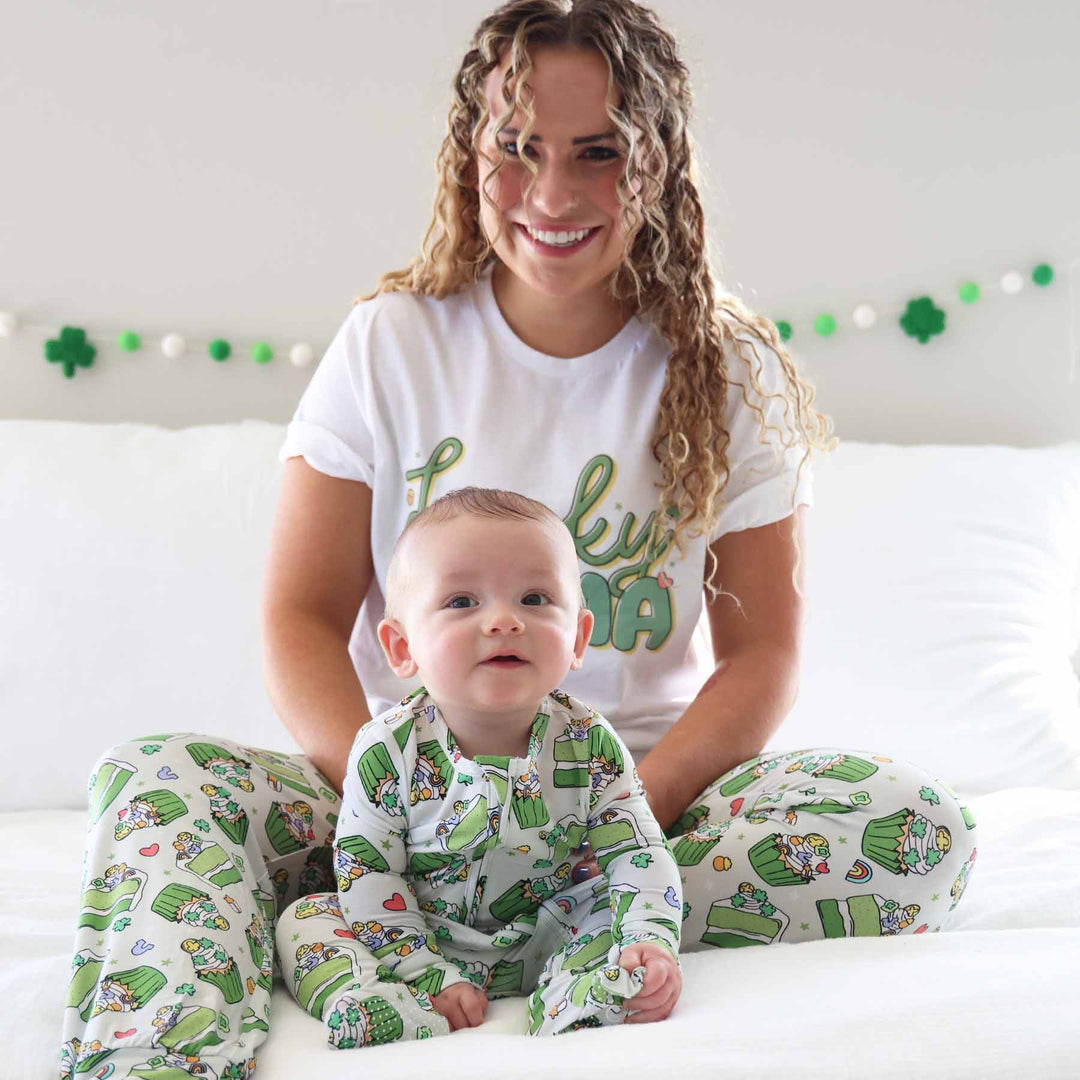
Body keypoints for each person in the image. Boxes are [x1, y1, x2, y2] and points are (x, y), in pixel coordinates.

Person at [59, 0, 979, 1075]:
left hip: (627, 806)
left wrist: (626, 815)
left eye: (599, 154)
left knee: (917, 827)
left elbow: (764, 654)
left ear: (657, 166)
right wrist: (386, 806)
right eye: (519, 149)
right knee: (156, 782)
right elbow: (298, 615)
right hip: (389, 808)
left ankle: (569, 935)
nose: (553, 193)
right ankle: (174, 1048)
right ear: (471, 155)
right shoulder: (389, 344)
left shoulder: (721, 368)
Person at [272, 487, 683, 1046]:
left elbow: (634, 850)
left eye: (535, 599)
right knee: (307, 920)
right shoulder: (386, 749)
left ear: (579, 637)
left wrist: (647, 938)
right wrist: (424, 970)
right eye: (463, 602)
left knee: (611, 902)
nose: (505, 620)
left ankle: (585, 993)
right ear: (401, 646)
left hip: (545, 930)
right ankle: (377, 1001)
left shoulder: (589, 741)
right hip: (416, 935)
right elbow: (370, 873)